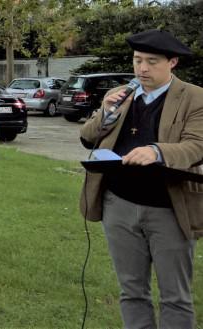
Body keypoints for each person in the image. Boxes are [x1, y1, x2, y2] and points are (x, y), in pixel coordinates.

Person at [79, 29, 203, 328]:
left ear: (172, 62)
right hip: (118, 205)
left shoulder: (195, 97)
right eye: (137, 61)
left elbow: (197, 145)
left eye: (152, 61)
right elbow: (87, 137)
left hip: (168, 208)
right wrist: (106, 112)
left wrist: (157, 151)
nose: (142, 69)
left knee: (175, 296)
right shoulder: (123, 94)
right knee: (132, 291)